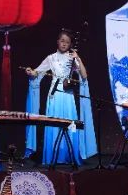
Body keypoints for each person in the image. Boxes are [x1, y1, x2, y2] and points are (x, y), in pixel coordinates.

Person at [24, 30, 97, 166]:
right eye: (62, 41)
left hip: (68, 95)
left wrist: (78, 59)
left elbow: (84, 75)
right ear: (57, 42)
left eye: (67, 42)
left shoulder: (72, 58)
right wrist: (30, 71)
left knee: (70, 124)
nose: (64, 44)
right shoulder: (51, 58)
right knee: (54, 123)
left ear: (70, 45)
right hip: (55, 95)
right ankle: (53, 155)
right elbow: (37, 72)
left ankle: (70, 155)